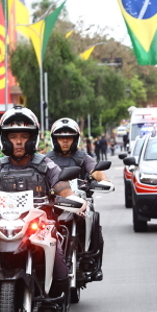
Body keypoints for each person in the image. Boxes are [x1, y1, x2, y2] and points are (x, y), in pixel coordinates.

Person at [0, 107, 83, 312]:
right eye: (13, 137)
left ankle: (57, 308)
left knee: (60, 265)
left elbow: (63, 188)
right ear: (5, 139)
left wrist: (76, 201)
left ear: (32, 138)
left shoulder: (46, 165)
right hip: (3, 227)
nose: (19, 142)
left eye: (24, 137)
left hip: (39, 228)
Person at [45, 117, 111, 282]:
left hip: (79, 201)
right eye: (61, 137)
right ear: (55, 139)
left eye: (69, 137)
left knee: (94, 220)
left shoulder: (83, 157)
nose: (65, 140)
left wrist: (103, 180)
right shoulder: (46, 159)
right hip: (54, 202)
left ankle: (94, 263)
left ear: (76, 139)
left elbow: (95, 170)